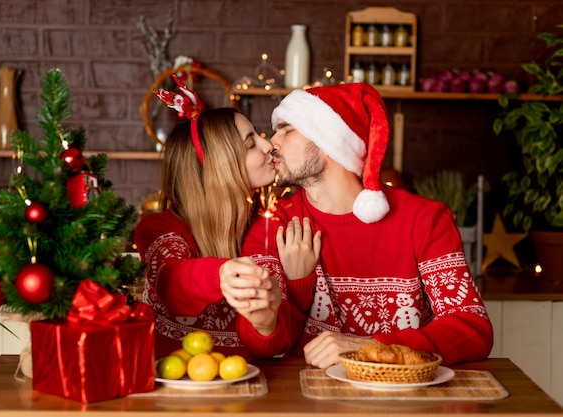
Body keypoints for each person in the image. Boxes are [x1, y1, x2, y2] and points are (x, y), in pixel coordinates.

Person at [241, 82, 494, 369]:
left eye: (286, 129)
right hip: (312, 401)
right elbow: (262, 344)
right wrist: (295, 291)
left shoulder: (424, 219)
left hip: (407, 399)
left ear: (327, 140)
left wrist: (370, 347)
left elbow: (473, 328)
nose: (272, 143)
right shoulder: (274, 224)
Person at [135, 77, 320, 359]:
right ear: (220, 167)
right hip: (169, 392)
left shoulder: (267, 228)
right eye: (250, 144)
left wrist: (293, 289)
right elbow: (168, 282)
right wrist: (222, 274)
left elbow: (276, 343)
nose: (268, 145)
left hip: (245, 390)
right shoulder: (161, 228)